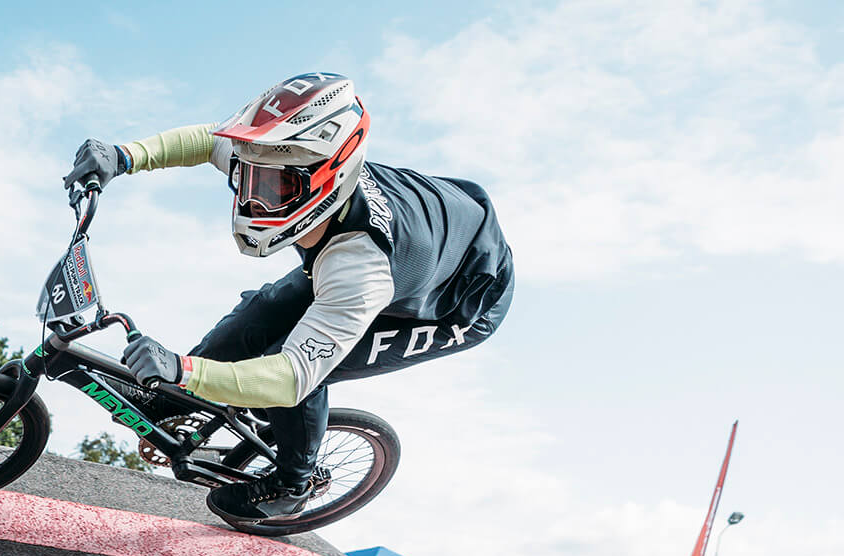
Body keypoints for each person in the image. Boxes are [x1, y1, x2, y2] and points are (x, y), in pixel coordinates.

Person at [66, 73, 514, 523]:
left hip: (458, 304)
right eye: (246, 180)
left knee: (300, 373)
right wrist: (124, 155)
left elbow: (292, 375)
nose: (252, 202)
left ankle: (293, 483)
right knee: (256, 315)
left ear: (328, 182)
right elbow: (207, 141)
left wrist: (184, 369)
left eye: (273, 191)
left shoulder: (359, 267)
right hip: (421, 239)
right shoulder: (281, 159)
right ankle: (171, 402)